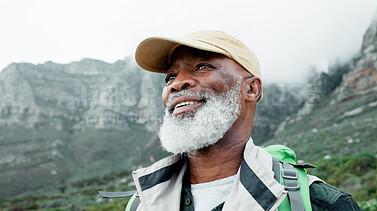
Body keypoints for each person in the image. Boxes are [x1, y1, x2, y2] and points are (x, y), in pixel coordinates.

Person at [130, 30, 360, 211]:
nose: (177, 83)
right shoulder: (142, 203)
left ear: (251, 89)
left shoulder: (323, 203)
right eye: (170, 77)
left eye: (202, 66)